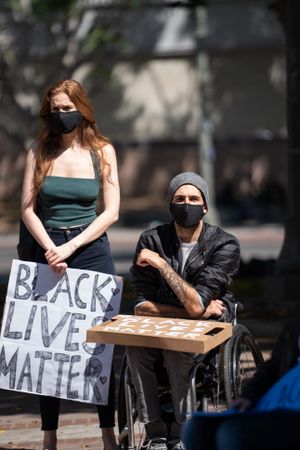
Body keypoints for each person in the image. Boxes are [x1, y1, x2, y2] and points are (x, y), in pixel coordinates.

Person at [20, 79, 120, 450]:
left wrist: (73, 246)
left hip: (91, 248)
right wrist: (51, 248)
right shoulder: (38, 150)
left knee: (99, 346)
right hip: (48, 246)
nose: (62, 116)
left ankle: (107, 433)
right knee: (48, 349)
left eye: (67, 108)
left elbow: (111, 212)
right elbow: (27, 209)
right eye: (55, 110)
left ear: (82, 109)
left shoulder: (103, 151)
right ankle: (49, 437)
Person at [126, 172, 240, 450]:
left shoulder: (224, 244)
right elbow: (141, 306)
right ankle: (154, 433)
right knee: (134, 347)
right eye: (179, 198)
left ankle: (181, 432)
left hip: (206, 333)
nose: (186, 204)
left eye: (193, 198)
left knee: (177, 350)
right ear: (170, 204)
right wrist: (192, 312)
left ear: (205, 207)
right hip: (171, 325)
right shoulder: (151, 240)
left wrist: (163, 266)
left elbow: (196, 302)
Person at [182, 311, 300, 450]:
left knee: (232, 432)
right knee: (197, 427)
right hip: (283, 403)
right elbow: (274, 364)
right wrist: (249, 394)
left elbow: (196, 306)